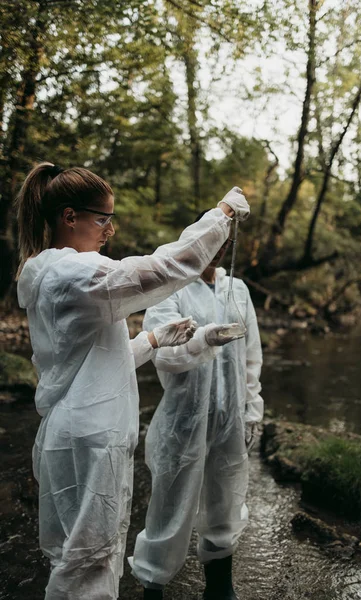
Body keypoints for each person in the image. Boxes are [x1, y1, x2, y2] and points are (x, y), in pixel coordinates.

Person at [15, 162, 250, 600]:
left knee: (81, 557)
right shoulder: (75, 274)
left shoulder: (57, 272)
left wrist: (152, 340)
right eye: (103, 218)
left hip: (79, 431)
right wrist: (222, 215)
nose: (110, 230)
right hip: (90, 438)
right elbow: (167, 268)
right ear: (70, 217)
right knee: (87, 564)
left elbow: (91, 360)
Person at [129, 210, 264, 600]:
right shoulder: (171, 288)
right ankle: (153, 586)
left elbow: (251, 357)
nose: (219, 250)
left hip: (230, 419)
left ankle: (220, 589)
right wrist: (204, 338)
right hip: (183, 421)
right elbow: (164, 356)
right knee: (169, 511)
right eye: (212, 240)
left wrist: (251, 408)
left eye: (226, 242)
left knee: (225, 504)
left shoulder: (238, 289)